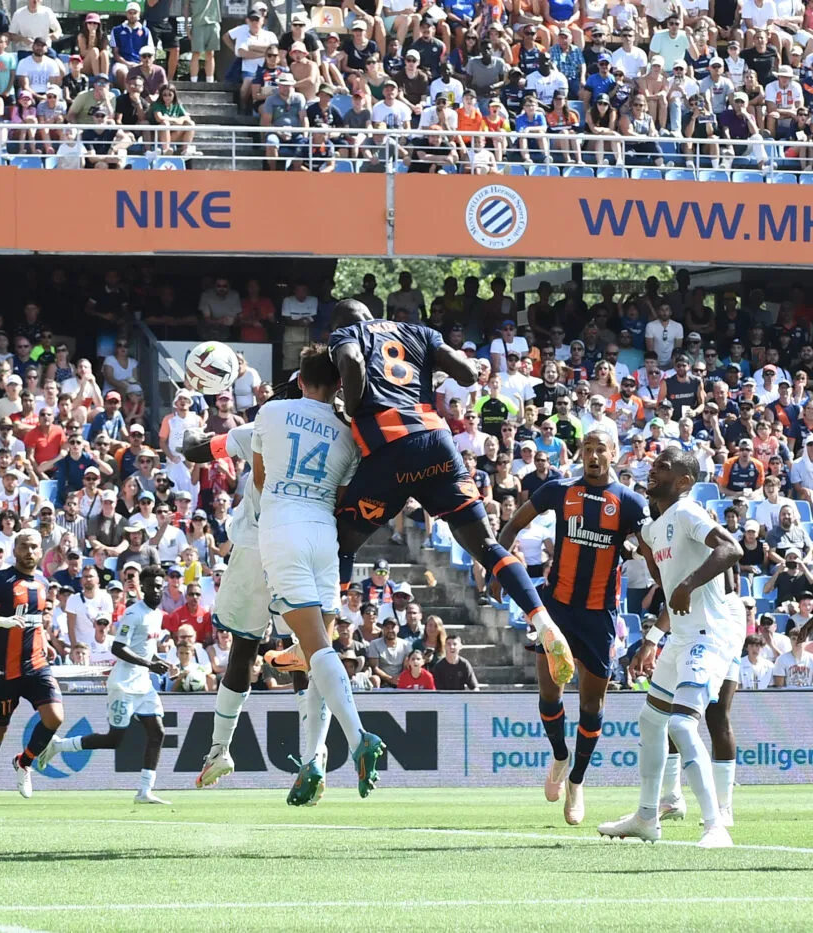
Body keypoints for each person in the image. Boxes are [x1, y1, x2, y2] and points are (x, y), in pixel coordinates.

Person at [327, 299, 577, 689]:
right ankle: (541, 620)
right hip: (437, 442)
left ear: (341, 323)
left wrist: (355, 407)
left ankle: (323, 639)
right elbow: (465, 372)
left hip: (390, 449)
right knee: (488, 546)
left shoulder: (346, 334)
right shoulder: (418, 332)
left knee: (342, 546)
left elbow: (354, 363)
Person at [250, 344, 385, 802]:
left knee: (315, 649)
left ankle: (358, 737)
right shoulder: (348, 433)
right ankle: (314, 760)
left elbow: (260, 479)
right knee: (316, 653)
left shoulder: (272, 412)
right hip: (325, 535)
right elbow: (344, 494)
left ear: (301, 380)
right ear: (337, 387)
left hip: (283, 528)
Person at [498, 430, 648, 825]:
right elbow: (513, 525)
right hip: (558, 610)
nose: (594, 455)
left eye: (602, 449)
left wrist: (644, 557)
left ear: (614, 453)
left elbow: (652, 551)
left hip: (600, 617)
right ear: (580, 453)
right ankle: (559, 756)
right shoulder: (559, 491)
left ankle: (577, 782)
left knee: (591, 705)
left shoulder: (630, 503)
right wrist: (496, 566)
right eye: (588, 449)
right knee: (549, 694)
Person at [598, 448, 740, 848]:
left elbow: (731, 549)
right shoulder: (656, 525)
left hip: (705, 635)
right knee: (650, 721)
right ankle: (646, 817)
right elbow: (648, 553)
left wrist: (686, 584)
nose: (653, 468)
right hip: (680, 637)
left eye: (664, 466)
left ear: (683, 482)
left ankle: (716, 826)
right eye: (654, 463)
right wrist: (638, 550)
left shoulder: (686, 512)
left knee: (681, 723)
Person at [181, 423, 328, 801]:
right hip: (302, 545)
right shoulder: (338, 431)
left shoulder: (266, 424)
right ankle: (314, 755)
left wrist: (189, 428)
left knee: (244, 647)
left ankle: (219, 751)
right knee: (304, 649)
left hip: (254, 545)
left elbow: (196, 451)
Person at [37, 565, 172, 804]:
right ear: (143, 587)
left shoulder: (157, 615)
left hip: (143, 685)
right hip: (123, 685)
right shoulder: (134, 613)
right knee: (114, 740)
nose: (156, 591)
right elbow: (117, 648)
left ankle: (144, 791)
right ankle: (59, 746)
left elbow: (145, 649)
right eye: (151, 587)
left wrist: (157, 661)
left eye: (160, 587)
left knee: (158, 732)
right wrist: (149, 665)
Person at [0, 528, 64, 816]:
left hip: (35, 665)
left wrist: (45, 641)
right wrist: (2, 622)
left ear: (41, 550)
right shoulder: (1, 580)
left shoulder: (41, 585)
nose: (29, 551)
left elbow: (35, 622)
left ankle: (25, 761)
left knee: (55, 717)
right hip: (3, 671)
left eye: (34, 546)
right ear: (15, 549)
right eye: (24, 546)